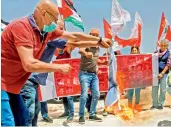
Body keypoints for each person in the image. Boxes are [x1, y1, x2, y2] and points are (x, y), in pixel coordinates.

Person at [1, 0, 112, 126]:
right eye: (54, 19)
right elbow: (29, 64)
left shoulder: (46, 32)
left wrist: (98, 40)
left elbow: (73, 36)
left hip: (14, 85)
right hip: (4, 82)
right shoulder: (22, 27)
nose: (54, 24)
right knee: (8, 122)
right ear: (43, 14)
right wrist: (58, 67)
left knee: (23, 119)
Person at [78, 28, 108, 124]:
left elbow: (95, 59)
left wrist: (101, 62)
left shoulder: (98, 46)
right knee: (84, 95)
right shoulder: (85, 42)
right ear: (89, 34)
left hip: (94, 75)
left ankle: (92, 114)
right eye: (93, 34)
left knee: (97, 94)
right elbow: (80, 50)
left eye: (96, 35)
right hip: (84, 73)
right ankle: (81, 116)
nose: (94, 36)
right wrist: (86, 53)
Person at [55, 46, 75, 122]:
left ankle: (71, 114)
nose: (60, 48)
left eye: (61, 46)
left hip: (69, 79)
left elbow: (70, 45)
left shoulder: (67, 53)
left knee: (70, 97)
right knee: (64, 97)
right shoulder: (57, 58)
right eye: (58, 47)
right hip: (62, 80)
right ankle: (66, 112)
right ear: (56, 49)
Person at [151, 39, 170, 110]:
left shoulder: (169, 53)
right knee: (154, 89)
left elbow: (168, 64)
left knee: (163, 89)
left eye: (165, 45)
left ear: (167, 46)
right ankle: (154, 104)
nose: (163, 47)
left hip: (164, 74)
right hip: (155, 74)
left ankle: (160, 104)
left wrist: (162, 73)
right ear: (160, 45)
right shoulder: (155, 53)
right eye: (162, 45)